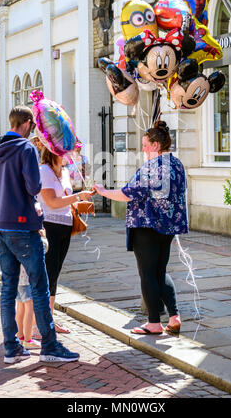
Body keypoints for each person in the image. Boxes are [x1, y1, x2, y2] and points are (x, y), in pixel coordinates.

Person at [0, 105, 80, 364]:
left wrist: (2, 197)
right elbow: (34, 186)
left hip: (0, 225)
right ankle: (49, 345)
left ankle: (11, 348)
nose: (34, 130)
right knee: (39, 285)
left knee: (9, 288)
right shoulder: (26, 149)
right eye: (32, 125)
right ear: (25, 123)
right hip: (24, 225)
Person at [93, 120, 188, 335]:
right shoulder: (176, 164)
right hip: (168, 227)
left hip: (146, 226)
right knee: (160, 271)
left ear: (155, 145)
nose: (143, 148)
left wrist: (103, 191)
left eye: (145, 144)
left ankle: (154, 323)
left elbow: (127, 194)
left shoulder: (152, 167)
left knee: (147, 274)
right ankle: (174, 317)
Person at [37, 146, 94, 333]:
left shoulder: (65, 172)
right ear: (54, 153)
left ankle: (49, 320)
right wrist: (76, 196)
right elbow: (52, 202)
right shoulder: (44, 171)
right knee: (48, 273)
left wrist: (80, 203)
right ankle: (41, 322)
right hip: (49, 226)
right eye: (65, 152)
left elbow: (65, 200)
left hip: (64, 226)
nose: (69, 155)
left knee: (55, 273)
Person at [15, 264, 41, 349]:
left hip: (18, 278)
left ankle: (20, 336)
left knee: (20, 306)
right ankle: (28, 340)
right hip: (26, 279)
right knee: (29, 308)